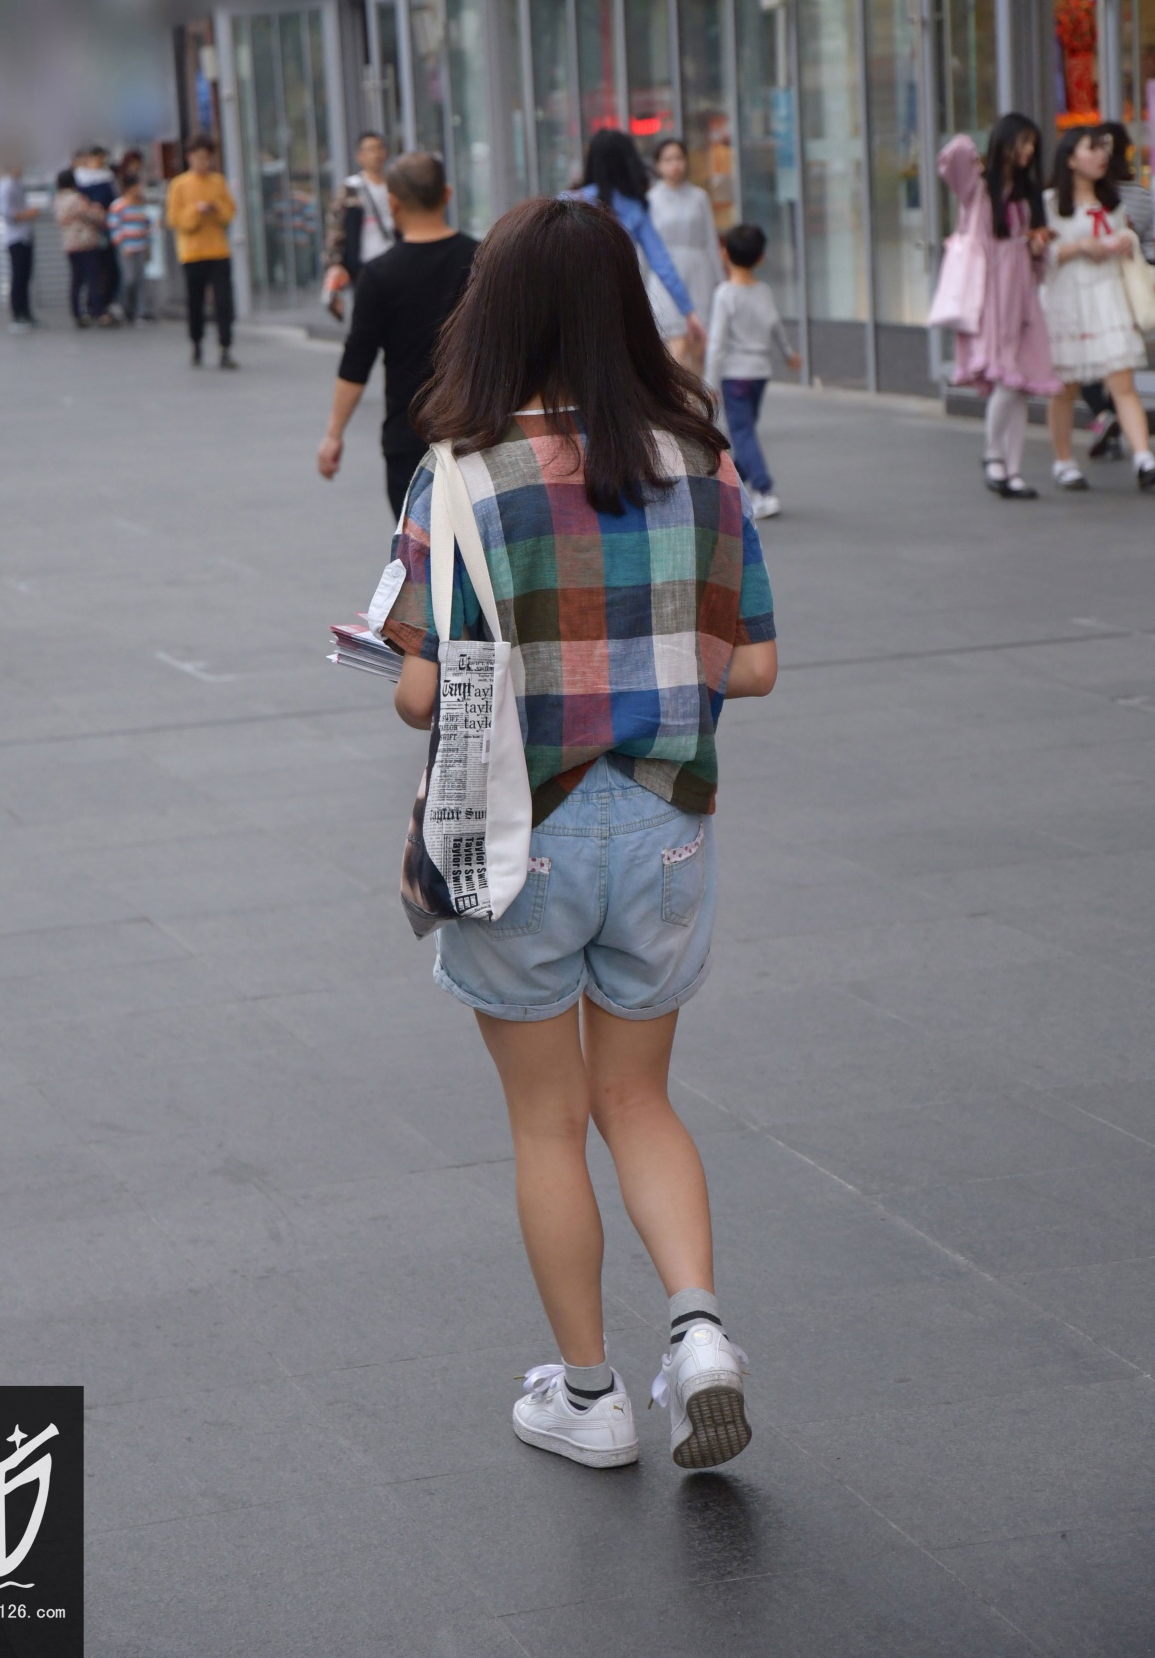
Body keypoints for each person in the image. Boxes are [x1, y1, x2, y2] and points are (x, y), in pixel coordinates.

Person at [376, 195, 778, 1474]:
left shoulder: (457, 477)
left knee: (548, 1124)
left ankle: (593, 1398)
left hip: (522, 828)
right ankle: (699, 1334)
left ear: (494, 313)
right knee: (639, 1098)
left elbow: (423, 693)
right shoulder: (702, 458)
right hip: (664, 820)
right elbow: (753, 664)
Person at [317, 152, 475, 517]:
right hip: (476, 430)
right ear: (447, 194)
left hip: (409, 436)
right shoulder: (481, 259)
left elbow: (356, 361)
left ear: (392, 203)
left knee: (418, 544)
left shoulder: (379, 275)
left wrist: (334, 435)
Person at [937, 117, 1060, 499]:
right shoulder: (979, 189)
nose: (1029, 151)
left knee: (1019, 385)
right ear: (1005, 142)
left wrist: (1037, 247)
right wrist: (977, 154)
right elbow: (953, 156)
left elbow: (1036, 254)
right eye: (1023, 142)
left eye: (1032, 144)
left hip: (1022, 296)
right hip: (990, 297)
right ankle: (993, 455)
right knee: (1007, 381)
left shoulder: (1027, 194)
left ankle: (1013, 468)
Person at [1043, 127, 1155, 492]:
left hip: (1108, 295)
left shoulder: (1112, 201)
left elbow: (1127, 237)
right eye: (1091, 149)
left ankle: (1144, 458)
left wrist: (1124, 241)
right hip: (1068, 299)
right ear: (1070, 159)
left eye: (1103, 149)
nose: (1101, 156)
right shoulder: (1050, 203)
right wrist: (1081, 247)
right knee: (1065, 387)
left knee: (1122, 381)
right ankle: (1063, 461)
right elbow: (1041, 254)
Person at [564, 130, 706, 364]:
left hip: (571, 303)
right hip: (616, 305)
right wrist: (688, 311)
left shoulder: (567, 202)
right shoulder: (632, 208)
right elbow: (662, 263)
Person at [707, 222, 801, 519]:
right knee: (745, 432)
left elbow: (717, 342)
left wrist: (709, 382)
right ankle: (728, 488)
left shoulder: (725, 294)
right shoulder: (764, 291)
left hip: (735, 376)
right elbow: (776, 326)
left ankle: (764, 490)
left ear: (724, 254)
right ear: (761, 258)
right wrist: (788, 354)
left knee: (743, 433)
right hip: (759, 374)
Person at [1084, 122, 1155, 463]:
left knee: (1088, 360)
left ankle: (1103, 417)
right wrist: (1152, 278)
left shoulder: (1089, 196)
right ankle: (1112, 424)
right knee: (1120, 363)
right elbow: (1149, 247)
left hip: (1091, 287)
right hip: (1128, 287)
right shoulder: (1140, 196)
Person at [647, 137, 724, 370]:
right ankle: (676, 393)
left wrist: (720, 280)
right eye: (668, 159)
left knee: (699, 346)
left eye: (679, 158)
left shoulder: (699, 196)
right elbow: (646, 246)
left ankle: (697, 393)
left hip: (699, 271)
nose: (675, 164)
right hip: (665, 273)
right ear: (658, 165)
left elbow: (710, 240)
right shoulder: (651, 200)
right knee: (676, 343)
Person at [165, 132, 238, 369]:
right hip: (192, 252)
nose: (202, 163)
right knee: (195, 301)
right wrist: (196, 211)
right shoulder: (179, 185)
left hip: (218, 250)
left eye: (206, 158)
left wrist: (215, 210)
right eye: (198, 158)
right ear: (190, 158)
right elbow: (174, 218)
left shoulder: (218, 182)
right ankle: (196, 341)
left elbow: (229, 212)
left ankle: (225, 345)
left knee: (223, 300)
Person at [323, 130, 396, 313]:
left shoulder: (395, 185)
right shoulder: (351, 188)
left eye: (379, 148)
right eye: (370, 149)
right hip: (363, 262)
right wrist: (335, 262)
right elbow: (336, 226)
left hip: (394, 257)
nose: (376, 154)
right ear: (360, 156)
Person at [53, 168, 108, 327]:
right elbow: (92, 215)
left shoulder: (58, 200)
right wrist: (97, 211)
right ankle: (97, 311)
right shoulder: (77, 199)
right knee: (93, 278)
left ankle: (76, 312)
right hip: (85, 242)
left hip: (69, 244)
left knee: (76, 279)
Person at [74, 146, 121, 323]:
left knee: (110, 269)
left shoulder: (107, 177)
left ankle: (106, 302)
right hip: (88, 231)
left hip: (106, 227)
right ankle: (94, 305)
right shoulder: (80, 178)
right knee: (92, 271)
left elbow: (114, 201)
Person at [0, 158, 37, 332]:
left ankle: (25, 312)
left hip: (24, 235)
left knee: (25, 277)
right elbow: (6, 212)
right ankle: (18, 314)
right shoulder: (6, 185)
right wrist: (27, 214)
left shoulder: (17, 184)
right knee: (18, 277)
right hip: (15, 237)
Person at [108, 173, 153, 324]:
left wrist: (147, 244)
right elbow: (114, 227)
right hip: (126, 248)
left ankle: (141, 312)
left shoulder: (140, 205)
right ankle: (124, 307)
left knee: (141, 280)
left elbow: (146, 225)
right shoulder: (118, 205)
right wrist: (122, 245)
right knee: (129, 279)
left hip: (140, 246)